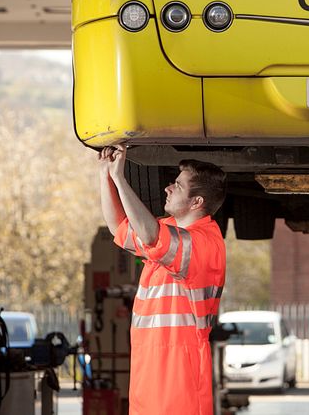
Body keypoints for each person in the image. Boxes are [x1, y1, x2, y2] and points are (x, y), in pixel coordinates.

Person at [99, 145, 227, 415]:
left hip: (179, 375)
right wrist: (105, 174)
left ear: (197, 202)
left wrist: (121, 179)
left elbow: (149, 236)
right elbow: (119, 227)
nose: (168, 188)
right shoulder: (169, 235)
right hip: (152, 369)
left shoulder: (203, 245)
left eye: (178, 185)